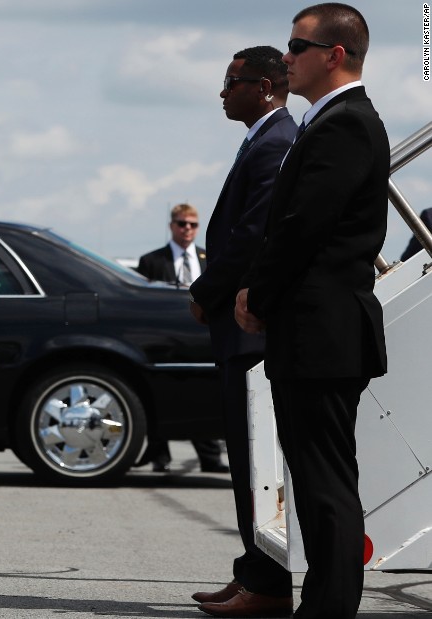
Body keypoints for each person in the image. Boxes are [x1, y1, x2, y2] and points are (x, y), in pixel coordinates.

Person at [233, 4, 389, 618]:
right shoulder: (329, 121)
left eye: (297, 47)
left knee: (325, 487)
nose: (287, 58)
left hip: (323, 332)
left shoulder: (344, 123)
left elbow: (303, 227)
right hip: (315, 331)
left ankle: (328, 610)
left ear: (335, 54)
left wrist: (257, 295)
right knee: (320, 483)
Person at [187, 46, 298, 617]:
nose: (223, 93)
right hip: (240, 325)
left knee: (257, 467)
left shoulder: (277, 140)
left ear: (265, 86)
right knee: (245, 464)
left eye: (232, 83)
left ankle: (270, 585)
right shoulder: (263, 137)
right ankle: (254, 571)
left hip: (251, 327)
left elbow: (251, 233)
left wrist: (205, 290)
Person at [134, 203, 228, 474]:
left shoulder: (209, 257)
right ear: (171, 226)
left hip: (202, 337)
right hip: (165, 339)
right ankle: (159, 455)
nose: (187, 229)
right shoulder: (151, 261)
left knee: (202, 393)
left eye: (193, 224)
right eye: (181, 223)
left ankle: (210, 457)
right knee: (164, 391)